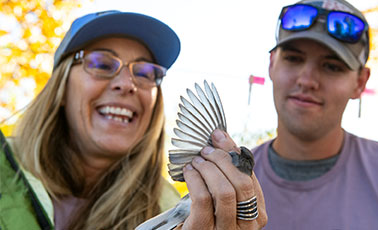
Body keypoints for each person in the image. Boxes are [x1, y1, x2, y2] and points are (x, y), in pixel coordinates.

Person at [0, 10, 267, 230]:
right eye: (103, 64)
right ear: (60, 89)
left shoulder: (181, 213)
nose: (127, 84)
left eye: (145, 72)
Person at [251, 0, 378, 229]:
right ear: (272, 64)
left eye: (332, 66)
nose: (306, 80)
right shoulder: (226, 182)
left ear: (360, 83)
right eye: (294, 59)